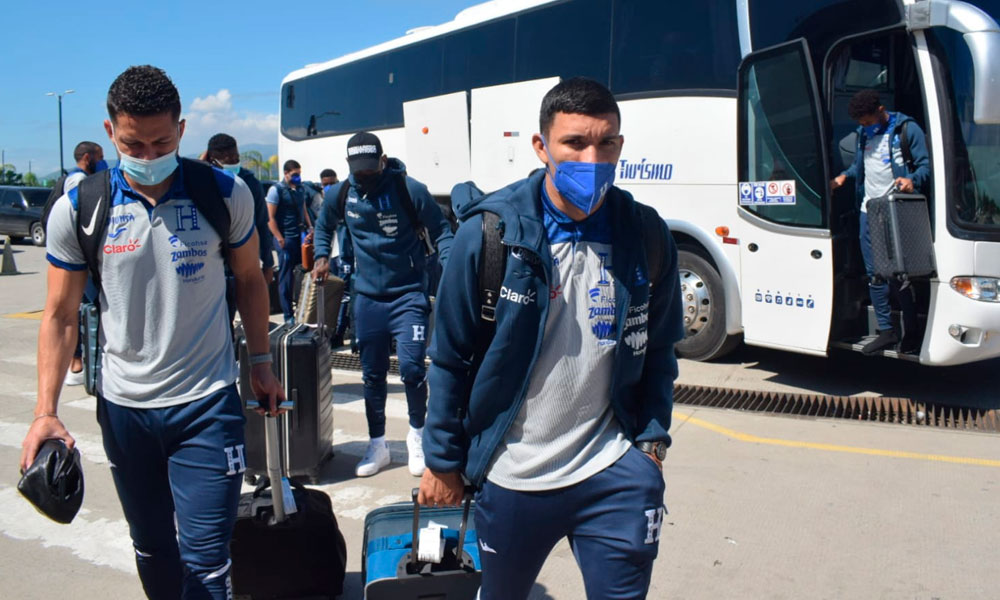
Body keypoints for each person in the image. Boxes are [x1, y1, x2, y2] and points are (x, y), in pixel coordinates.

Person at [20, 65, 285, 600]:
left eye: (160, 141)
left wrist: (260, 363)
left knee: (208, 562)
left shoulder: (225, 194)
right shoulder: (80, 208)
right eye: (131, 143)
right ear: (110, 130)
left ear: (182, 130)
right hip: (125, 410)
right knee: (154, 551)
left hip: (206, 406)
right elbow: (59, 315)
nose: (146, 155)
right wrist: (45, 412)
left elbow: (252, 281)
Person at [418, 78, 684, 599]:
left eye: (607, 143)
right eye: (575, 143)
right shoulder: (490, 235)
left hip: (615, 472)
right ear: (542, 147)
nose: (593, 157)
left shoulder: (645, 235)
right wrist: (443, 460)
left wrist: (650, 445)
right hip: (513, 476)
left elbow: (660, 348)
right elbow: (447, 358)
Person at [313, 132, 453, 477]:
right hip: (368, 299)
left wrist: (452, 270)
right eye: (357, 171)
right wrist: (320, 256)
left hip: (408, 295)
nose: (364, 177)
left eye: (370, 169)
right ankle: (378, 445)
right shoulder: (342, 193)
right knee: (372, 375)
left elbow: (442, 232)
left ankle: (418, 436)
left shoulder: (410, 190)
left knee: (411, 369)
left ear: (383, 160)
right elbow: (323, 225)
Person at [831, 89, 930, 354]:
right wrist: (844, 176)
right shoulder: (865, 134)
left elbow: (926, 166)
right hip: (868, 210)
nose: (864, 127)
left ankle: (911, 333)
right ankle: (886, 332)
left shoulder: (906, 130)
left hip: (895, 210)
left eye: (867, 121)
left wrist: (912, 180)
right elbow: (861, 166)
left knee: (898, 274)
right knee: (875, 274)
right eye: (860, 124)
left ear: (880, 110)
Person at [61, 141, 106, 386]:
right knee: (88, 311)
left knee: (85, 310)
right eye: (100, 157)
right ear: (88, 158)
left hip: (84, 263)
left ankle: (80, 363)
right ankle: (78, 363)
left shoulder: (74, 179)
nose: (103, 161)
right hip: (85, 264)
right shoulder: (80, 184)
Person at [204, 133, 275, 285]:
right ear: (212, 160)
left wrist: (268, 263)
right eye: (227, 161)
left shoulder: (250, 183)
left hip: (244, 259)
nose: (234, 163)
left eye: (236, 159)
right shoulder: (202, 183)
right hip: (212, 264)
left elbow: (262, 224)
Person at [266, 159, 313, 324]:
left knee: (303, 273)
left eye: (299, 174)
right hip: (285, 239)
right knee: (285, 279)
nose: (297, 177)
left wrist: (310, 227)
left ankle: (304, 311)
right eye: (294, 175)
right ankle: (288, 315)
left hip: (299, 237)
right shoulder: (276, 190)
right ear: (286, 173)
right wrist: (279, 237)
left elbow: (304, 209)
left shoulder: (300, 189)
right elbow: (270, 217)